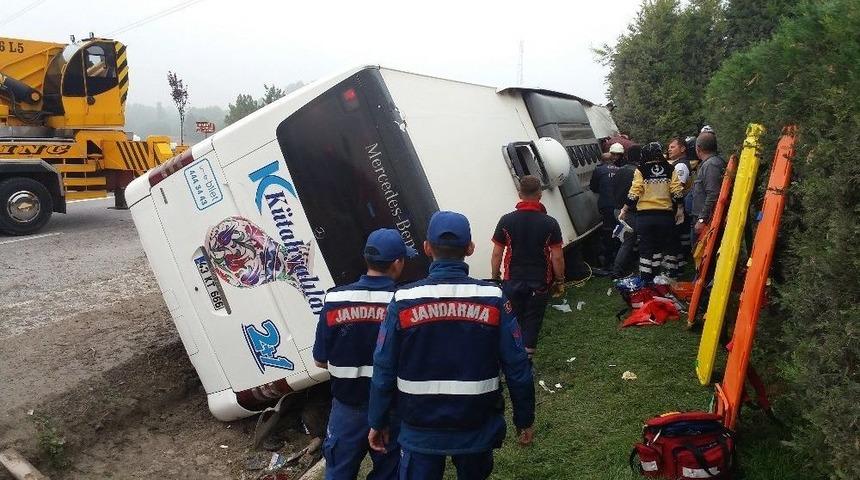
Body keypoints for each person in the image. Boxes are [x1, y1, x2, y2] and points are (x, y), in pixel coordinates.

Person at [368, 211, 535, 480]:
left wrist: (377, 420)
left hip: (419, 428)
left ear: (426, 248)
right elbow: (517, 366)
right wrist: (524, 417)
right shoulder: (493, 298)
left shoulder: (403, 300)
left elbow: (384, 366)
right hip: (476, 425)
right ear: (470, 248)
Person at [313, 228, 417, 480]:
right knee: (390, 471)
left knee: (338, 471)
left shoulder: (335, 299)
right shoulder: (403, 303)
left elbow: (319, 359)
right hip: (390, 409)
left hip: (346, 410)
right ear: (397, 263)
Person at [490, 175, 565, 360]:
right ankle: (526, 362)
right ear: (540, 194)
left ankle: (510, 357)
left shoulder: (506, 221)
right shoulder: (550, 223)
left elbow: (497, 253)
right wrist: (560, 279)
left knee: (512, 319)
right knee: (532, 320)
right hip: (539, 281)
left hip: (512, 279)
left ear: (519, 194)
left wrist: (495, 276)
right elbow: (557, 256)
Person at [618, 142, 684, 284]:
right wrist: (679, 209)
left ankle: (647, 279)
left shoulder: (640, 170)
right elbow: (677, 190)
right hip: (665, 216)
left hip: (645, 217)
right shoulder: (670, 168)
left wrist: (624, 209)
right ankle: (669, 277)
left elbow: (634, 192)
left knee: (646, 247)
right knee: (666, 246)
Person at [664, 136, 694, 279]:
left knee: (673, 240)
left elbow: (678, 188)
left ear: (682, 149)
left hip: (677, 208)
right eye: (669, 147)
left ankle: (675, 271)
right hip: (678, 207)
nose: (669, 149)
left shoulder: (680, 165)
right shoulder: (677, 164)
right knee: (677, 239)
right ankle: (679, 267)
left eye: (673, 147)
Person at [590, 143, 623, 269]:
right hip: (619, 205)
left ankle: (608, 260)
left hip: (606, 204)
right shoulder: (620, 170)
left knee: (608, 231)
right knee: (619, 229)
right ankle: (619, 254)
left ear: (602, 161)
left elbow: (593, 187)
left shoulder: (599, 170)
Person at [690, 132, 726, 246]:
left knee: (702, 258)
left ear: (698, 148)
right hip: (705, 218)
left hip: (707, 221)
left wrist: (702, 220)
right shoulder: (710, 163)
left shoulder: (711, 165)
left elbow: (713, 194)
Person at [610, 144, 640, 279]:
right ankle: (617, 272)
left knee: (624, 240)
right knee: (628, 242)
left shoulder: (619, 171)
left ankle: (625, 265)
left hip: (617, 209)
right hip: (629, 212)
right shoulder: (638, 172)